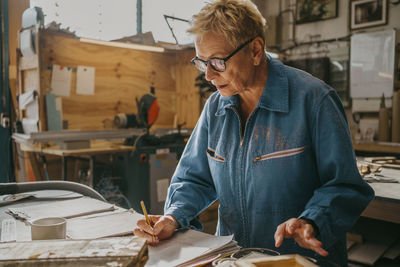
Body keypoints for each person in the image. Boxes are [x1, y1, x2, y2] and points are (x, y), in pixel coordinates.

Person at [134, 0, 374, 265]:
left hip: (297, 260)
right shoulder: (215, 108)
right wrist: (174, 216)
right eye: (202, 63)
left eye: (217, 61)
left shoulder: (314, 100)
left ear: (256, 50)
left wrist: (313, 220)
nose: (209, 76)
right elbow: (194, 179)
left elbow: (345, 185)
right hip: (233, 259)